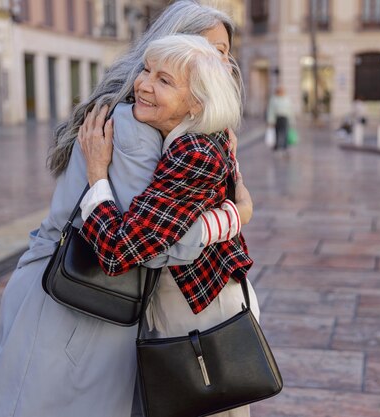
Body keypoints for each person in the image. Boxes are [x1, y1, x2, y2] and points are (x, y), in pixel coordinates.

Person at [0, 3, 253, 417]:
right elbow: (144, 246)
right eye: (207, 49)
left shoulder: (160, 122)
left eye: (224, 53)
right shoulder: (137, 128)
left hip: (60, 288)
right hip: (78, 305)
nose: (219, 63)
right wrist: (230, 218)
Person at [78, 34, 256, 417]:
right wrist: (233, 216)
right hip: (193, 307)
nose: (142, 84)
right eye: (146, 69)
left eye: (164, 80)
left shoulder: (194, 153)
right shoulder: (199, 136)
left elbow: (115, 250)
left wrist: (96, 174)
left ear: (197, 103)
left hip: (201, 317)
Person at [267, 85, 295, 154]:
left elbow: (290, 110)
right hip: (277, 118)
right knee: (277, 133)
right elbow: (271, 110)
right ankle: (276, 146)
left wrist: (292, 120)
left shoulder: (287, 99)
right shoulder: (274, 99)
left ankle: (285, 147)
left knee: (285, 132)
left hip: (285, 118)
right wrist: (270, 121)